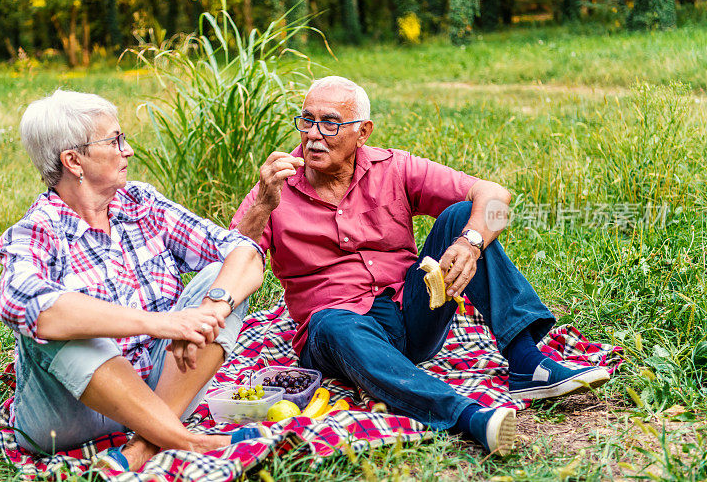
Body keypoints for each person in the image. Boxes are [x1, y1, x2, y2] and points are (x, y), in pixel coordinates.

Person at [230, 76, 610, 455]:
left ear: (362, 133)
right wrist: (263, 203)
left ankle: (527, 362)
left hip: (411, 314)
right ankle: (467, 416)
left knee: (465, 216)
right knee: (331, 321)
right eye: (307, 120)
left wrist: (470, 243)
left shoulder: (393, 168)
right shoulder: (276, 188)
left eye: (330, 123)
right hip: (338, 332)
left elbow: (494, 196)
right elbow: (232, 256)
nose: (313, 134)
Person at [0, 90, 265, 471]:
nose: (128, 151)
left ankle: (144, 445)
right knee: (57, 323)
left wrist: (209, 310)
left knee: (218, 282)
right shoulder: (36, 231)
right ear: (74, 161)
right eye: (115, 140)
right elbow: (21, 304)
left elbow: (245, 252)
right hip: (72, 413)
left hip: (160, 387)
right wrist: (164, 323)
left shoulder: (140, 204)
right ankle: (187, 440)